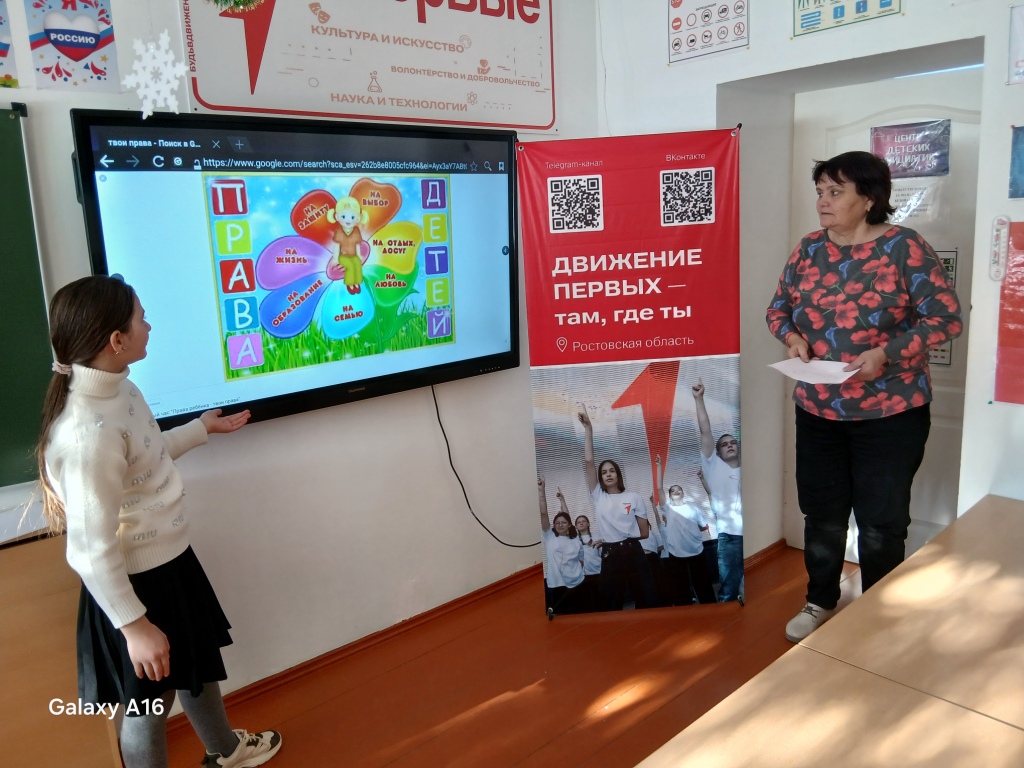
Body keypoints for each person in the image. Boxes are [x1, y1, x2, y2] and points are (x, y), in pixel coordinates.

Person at [36, 276, 282, 768]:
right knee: (148, 708)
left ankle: (225, 751)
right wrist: (135, 626)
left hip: (171, 566)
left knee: (197, 667)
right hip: (136, 586)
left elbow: (144, 458)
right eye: (141, 318)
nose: (149, 326)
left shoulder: (120, 389)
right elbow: (89, 551)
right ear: (116, 340)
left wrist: (199, 429)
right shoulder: (86, 434)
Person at [765, 150, 963, 642]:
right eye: (820, 191)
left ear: (870, 198)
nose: (822, 201)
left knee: (881, 521)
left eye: (835, 192)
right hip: (818, 409)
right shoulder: (809, 248)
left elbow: (945, 318)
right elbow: (777, 309)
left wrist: (886, 354)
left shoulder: (904, 247)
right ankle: (820, 600)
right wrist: (792, 338)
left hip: (890, 412)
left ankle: (877, 612)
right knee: (822, 513)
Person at [578, 405, 658, 610]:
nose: (608, 474)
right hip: (610, 554)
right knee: (610, 603)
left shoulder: (634, 497)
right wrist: (588, 428)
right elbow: (589, 462)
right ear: (600, 478)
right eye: (604, 472)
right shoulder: (598, 496)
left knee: (647, 597)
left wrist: (621, 537)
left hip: (634, 551)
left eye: (612, 470)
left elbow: (644, 533)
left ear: (618, 475)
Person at [692, 380, 743, 603]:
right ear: (718, 453)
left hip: (753, 535)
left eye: (733, 442)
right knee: (729, 591)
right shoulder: (714, 466)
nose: (730, 445)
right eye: (724, 444)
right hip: (730, 537)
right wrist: (699, 399)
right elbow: (705, 430)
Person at [654, 455, 716, 605]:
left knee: (703, 585)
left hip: (697, 551)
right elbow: (659, 488)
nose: (676, 491)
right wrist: (659, 466)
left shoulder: (694, 507)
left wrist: (690, 530)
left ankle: (711, 610)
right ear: (669, 496)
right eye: (673, 490)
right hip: (677, 554)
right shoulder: (667, 508)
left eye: (679, 489)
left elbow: (703, 526)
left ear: (683, 493)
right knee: (681, 589)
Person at [538, 477, 585, 614]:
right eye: (557, 523)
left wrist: (562, 500)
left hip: (577, 583)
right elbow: (543, 513)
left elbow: (581, 561)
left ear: (569, 525)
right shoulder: (550, 537)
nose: (560, 524)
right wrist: (542, 491)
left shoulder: (575, 539)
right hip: (557, 585)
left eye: (563, 522)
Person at [327, 196, 370, 294]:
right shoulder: (339, 231)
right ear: (337, 217)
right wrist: (335, 258)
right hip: (343, 256)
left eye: (352, 217)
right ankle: (350, 284)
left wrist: (358, 255)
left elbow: (357, 244)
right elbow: (337, 245)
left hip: (353, 255)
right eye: (343, 216)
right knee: (350, 265)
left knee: (357, 263)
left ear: (358, 218)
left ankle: (356, 283)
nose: (348, 220)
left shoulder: (356, 231)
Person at [573, 513, 602, 612]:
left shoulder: (596, 536)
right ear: (576, 526)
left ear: (588, 524)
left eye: (583, 521)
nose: (581, 523)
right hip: (582, 575)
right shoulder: (574, 539)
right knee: (586, 602)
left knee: (600, 600)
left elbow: (602, 553)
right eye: (578, 522)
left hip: (597, 572)